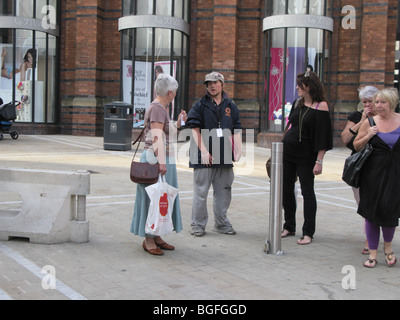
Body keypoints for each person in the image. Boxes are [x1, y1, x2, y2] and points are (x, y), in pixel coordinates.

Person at [130, 73, 186, 256]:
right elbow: (156, 138)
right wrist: (162, 163)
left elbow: (165, 133)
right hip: (156, 160)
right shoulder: (157, 108)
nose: (175, 94)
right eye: (175, 92)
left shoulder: (161, 108)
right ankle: (148, 239)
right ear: (170, 92)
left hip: (161, 159)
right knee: (152, 200)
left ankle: (157, 236)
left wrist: (177, 123)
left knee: (161, 199)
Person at [186, 72, 242, 237]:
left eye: (215, 82)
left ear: (222, 84)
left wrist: (237, 152)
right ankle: (197, 225)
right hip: (203, 158)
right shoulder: (199, 106)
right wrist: (204, 151)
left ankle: (222, 224)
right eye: (208, 83)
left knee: (224, 192)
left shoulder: (231, 107)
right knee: (201, 192)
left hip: (224, 157)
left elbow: (236, 129)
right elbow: (194, 129)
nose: (212, 85)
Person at [281, 71, 333, 245]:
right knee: (286, 190)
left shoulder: (322, 106)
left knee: (307, 192)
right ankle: (289, 226)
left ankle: (308, 232)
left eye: (300, 85)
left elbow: (323, 136)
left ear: (309, 86)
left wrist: (319, 160)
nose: (297, 88)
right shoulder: (298, 103)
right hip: (287, 153)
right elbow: (291, 126)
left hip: (306, 156)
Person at [354, 88, 400, 268]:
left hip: (395, 173)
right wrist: (368, 135)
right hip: (372, 174)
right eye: (376, 102)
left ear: (392, 104)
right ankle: (372, 253)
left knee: (390, 211)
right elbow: (356, 145)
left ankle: (388, 249)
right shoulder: (370, 122)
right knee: (371, 213)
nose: (378, 106)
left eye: (382, 102)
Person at [341, 86, 379, 255]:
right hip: (359, 164)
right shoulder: (357, 117)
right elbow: (345, 139)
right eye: (364, 102)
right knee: (363, 204)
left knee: (375, 202)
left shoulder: (383, 118)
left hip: (379, 165)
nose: (367, 105)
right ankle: (370, 235)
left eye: (370, 101)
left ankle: (370, 239)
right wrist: (361, 121)